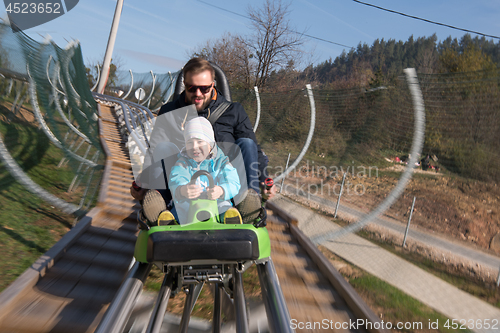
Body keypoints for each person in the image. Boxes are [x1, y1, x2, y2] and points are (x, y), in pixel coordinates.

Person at [131, 57, 276, 222]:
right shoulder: (169, 112)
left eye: (204, 88)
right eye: (192, 88)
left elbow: (253, 150)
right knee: (163, 147)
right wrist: (143, 181)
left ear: (213, 85)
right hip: (182, 182)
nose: (198, 94)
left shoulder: (234, 111)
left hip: (223, 181)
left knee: (247, 143)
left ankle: (248, 206)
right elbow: (155, 149)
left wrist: (264, 179)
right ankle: (159, 208)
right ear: (184, 85)